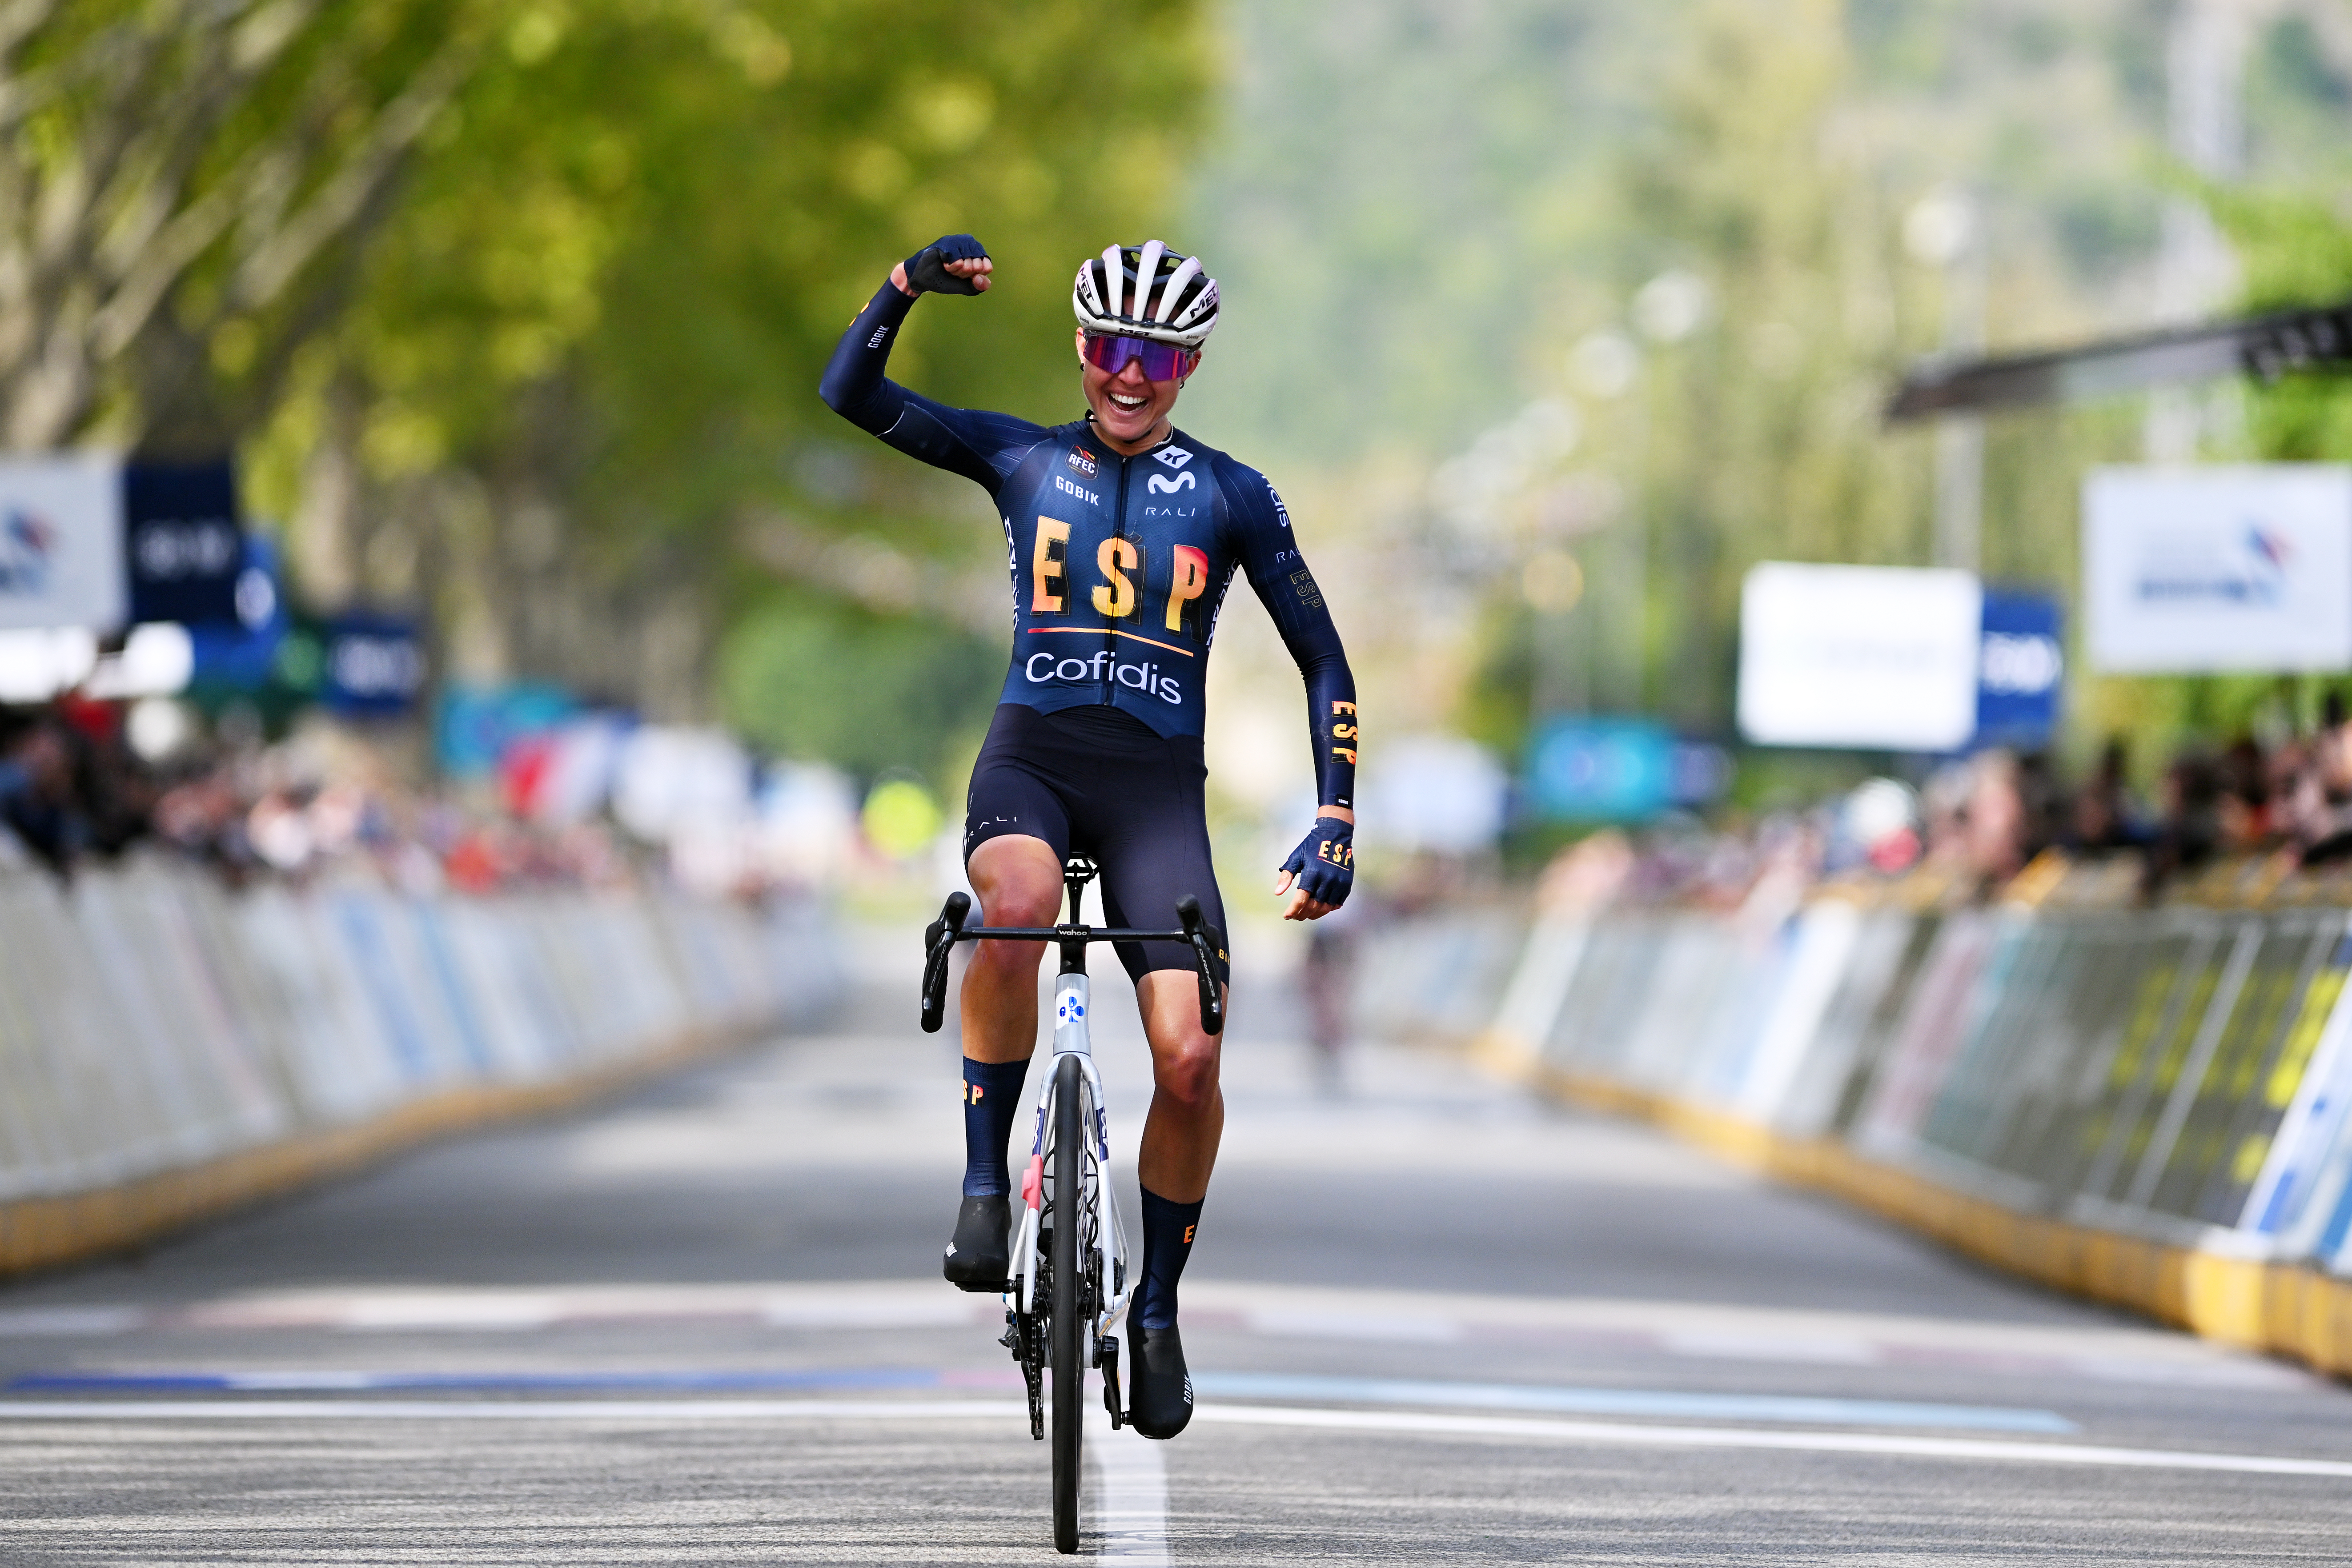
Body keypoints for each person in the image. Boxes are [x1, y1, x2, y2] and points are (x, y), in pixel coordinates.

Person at [820, 235, 1358, 1439]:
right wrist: (901, 288)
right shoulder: (1018, 455)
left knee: (1191, 1061)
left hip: (1157, 792)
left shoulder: (1231, 494)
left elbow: (1320, 656)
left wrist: (1334, 812)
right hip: (1034, 762)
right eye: (1113, 350)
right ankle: (978, 1183)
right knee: (1009, 910)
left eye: (1158, 358)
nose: (1131, 376)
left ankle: (1156, 1309)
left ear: (1192, 364)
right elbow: (850, 397)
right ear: (1080, 348)